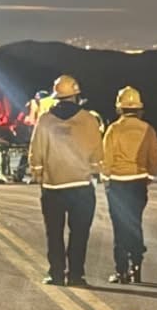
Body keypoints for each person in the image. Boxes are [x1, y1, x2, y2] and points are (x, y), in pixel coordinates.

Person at [27, 74, 102, 285]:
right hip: (81, 186)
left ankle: (56, 274)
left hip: (53, 187)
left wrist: (39, 174)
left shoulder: (45, 120)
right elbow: (98, 152)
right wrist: (94, 171)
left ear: (57, 97)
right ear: (76, 96)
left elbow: (36, 151)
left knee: (54, 233)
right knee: (79, 235)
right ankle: (76, 276)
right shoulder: (88, 119)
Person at [101, 86, 157, 283]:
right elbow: (154, 157)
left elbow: (106, 158)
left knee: (119, 227)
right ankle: (136, 266)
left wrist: (106, 176)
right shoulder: (148, 130)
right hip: (138, 183)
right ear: (139, 108)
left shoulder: (113, 129)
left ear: (119, 108)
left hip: (117, 184)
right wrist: (151, 175)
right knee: (135, 223)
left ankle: (121, 271)